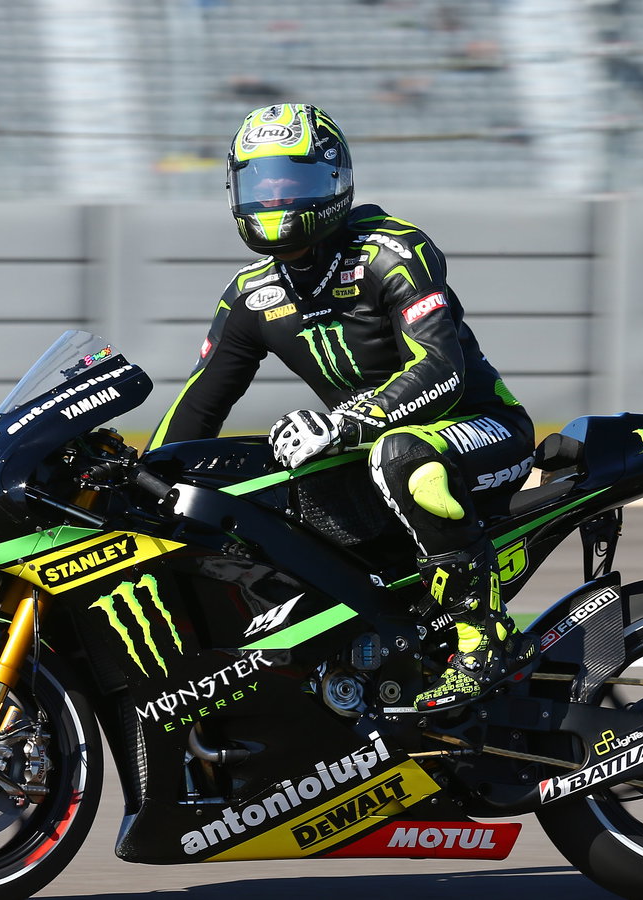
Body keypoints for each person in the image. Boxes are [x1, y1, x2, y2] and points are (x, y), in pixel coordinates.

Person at [148, 104, 538, 710]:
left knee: (403, 456)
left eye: (292, 183)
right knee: (255, 487)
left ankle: (483, 639)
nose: (275, 200)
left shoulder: (393, 252)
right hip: (367, 451)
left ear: (335, 183)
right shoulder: (252, 296)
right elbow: (198, 407)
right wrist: (144, 484)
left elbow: (442, 368)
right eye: (260, 185)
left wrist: (345, 423)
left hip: (482, 429)